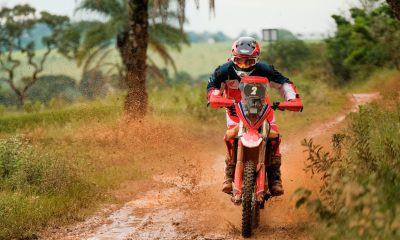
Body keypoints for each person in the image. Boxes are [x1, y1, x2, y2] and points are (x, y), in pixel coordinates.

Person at [206, 36, 302, 196]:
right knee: (230, 136)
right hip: (235, 112)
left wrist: (292, 99)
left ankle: (274, 178)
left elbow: (284, 83)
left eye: (249, 62)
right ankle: (229, 174)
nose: (243, 65)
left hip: (263, 111)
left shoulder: (265, 70)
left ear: (256, 60)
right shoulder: (224, 70)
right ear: (232, 58)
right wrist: (215, 97)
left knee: (274, 137)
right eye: (239, 61)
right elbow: (212, 87)